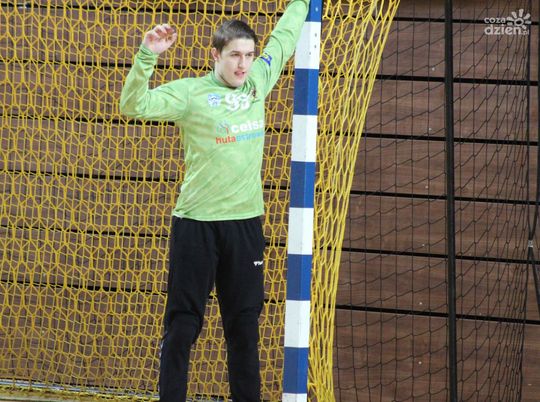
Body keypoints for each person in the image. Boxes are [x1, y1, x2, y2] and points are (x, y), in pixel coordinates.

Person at [119, 1, 310, 401]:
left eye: (249, 55)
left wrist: (300, 4)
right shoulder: (190, 93)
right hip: (196, 226)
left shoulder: (258, 81)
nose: (243, 64)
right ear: (216, 55)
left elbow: (284, 37)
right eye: (235, 55)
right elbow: (132, 106)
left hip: (245, 226)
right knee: (183, 325)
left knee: (243, 328)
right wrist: (147, 55)